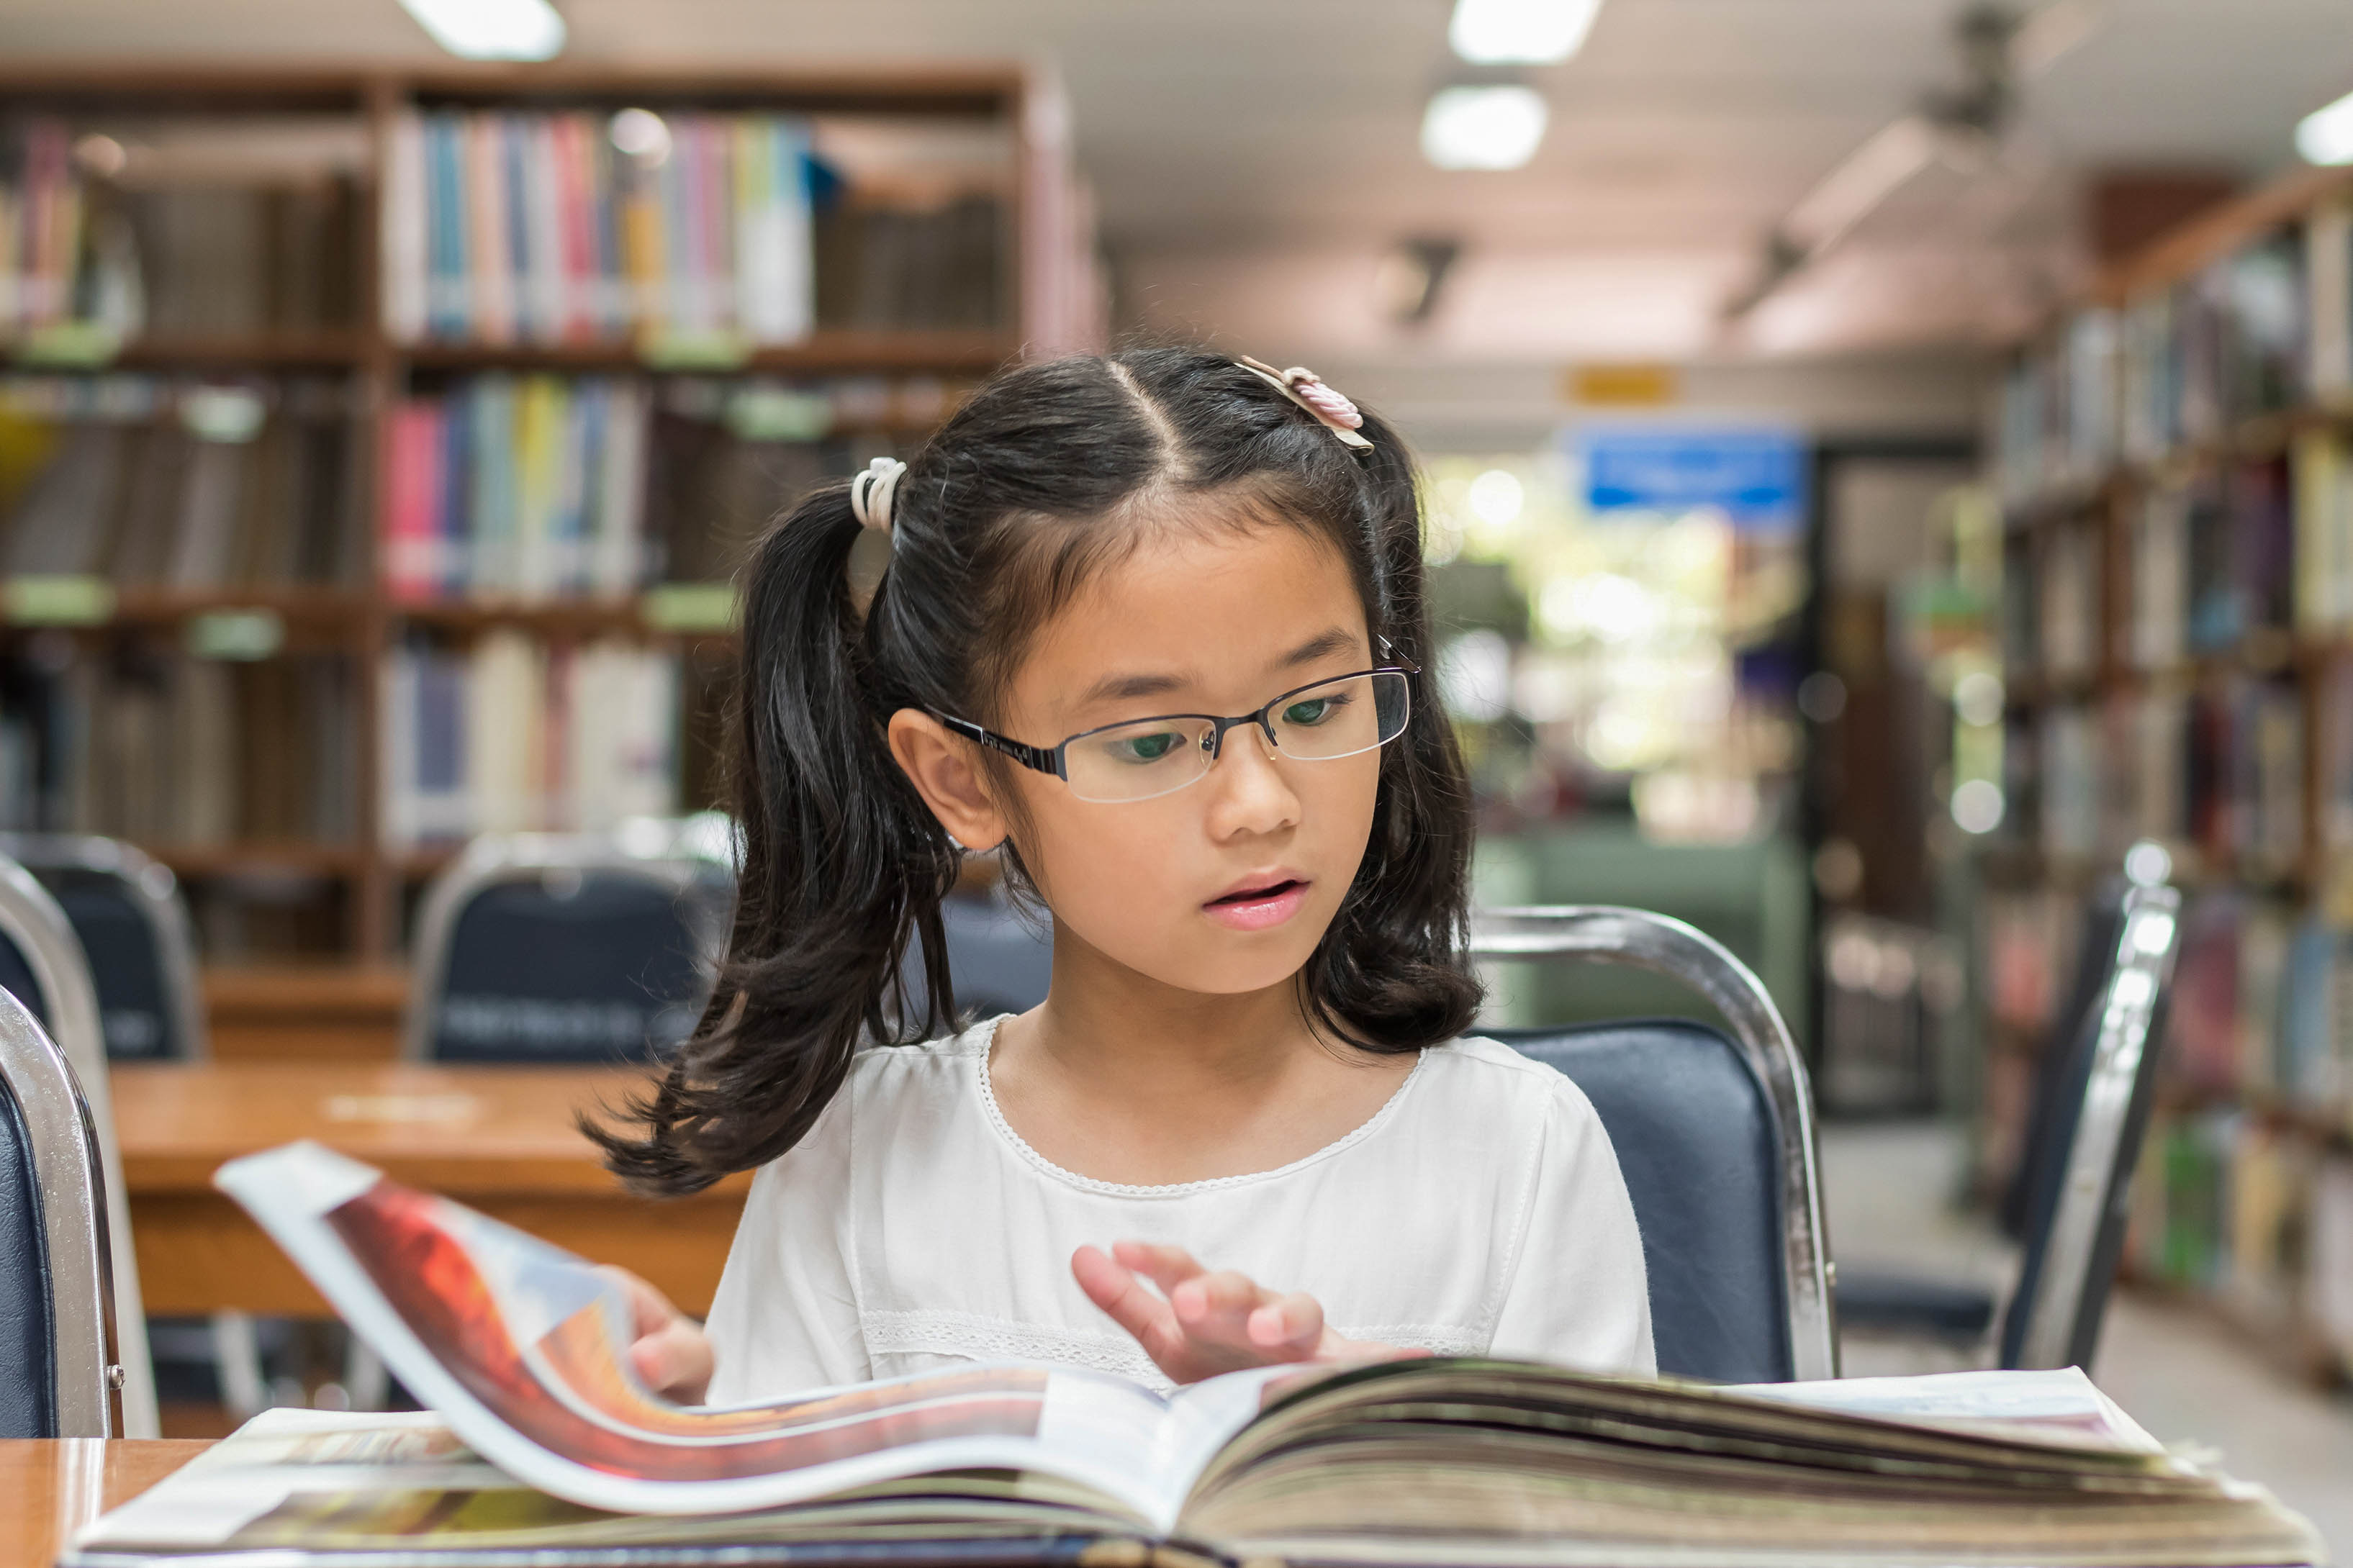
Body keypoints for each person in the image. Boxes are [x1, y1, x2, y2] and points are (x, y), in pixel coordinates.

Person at [590, 348, 1655, 1402]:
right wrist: (670, 1468)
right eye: (1150, 742)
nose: (1261, 803)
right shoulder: (864, 1152)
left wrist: (1394, 1454)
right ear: (961, 781)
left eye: (1320, 705)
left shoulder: (1518, 1152)